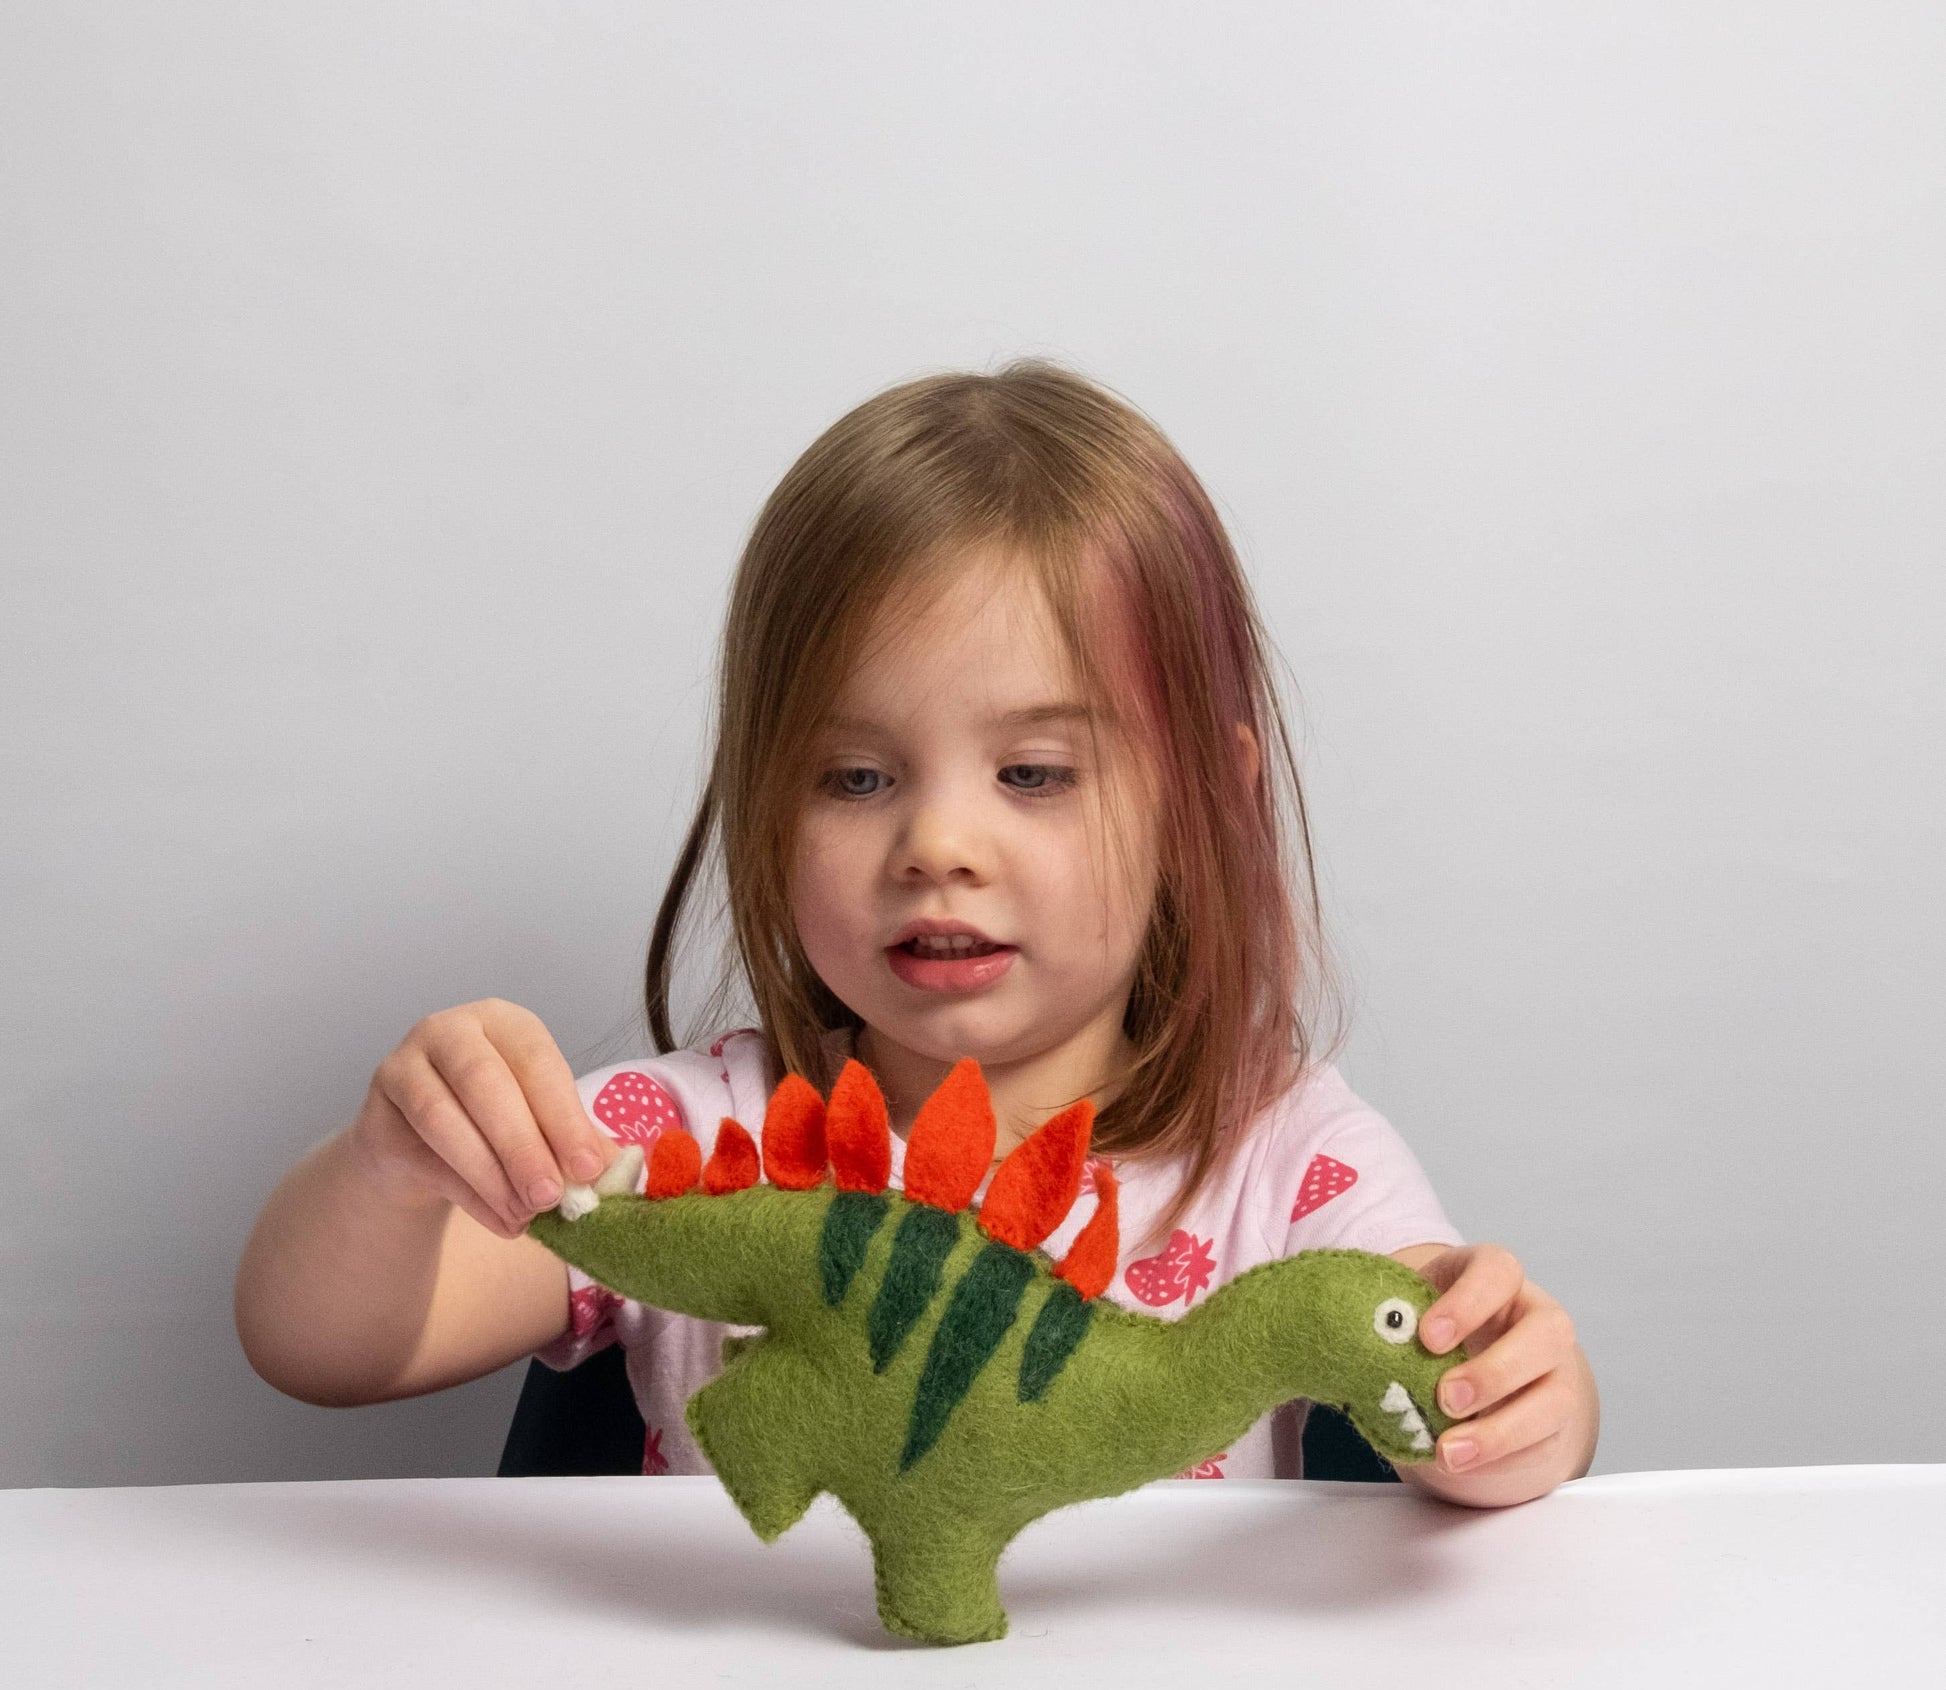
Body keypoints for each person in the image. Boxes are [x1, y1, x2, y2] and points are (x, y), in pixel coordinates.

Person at [235, 359, 1599, 1503]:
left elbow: (1439, 1340)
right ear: (767, 804)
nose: (937, 845)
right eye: (855, 777)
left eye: (1034, 774)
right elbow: (318, 1344)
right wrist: (393, 1169)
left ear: (1203, 807)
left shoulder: (1283, 1154)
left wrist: (1513, 1390)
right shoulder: (679, 1135)